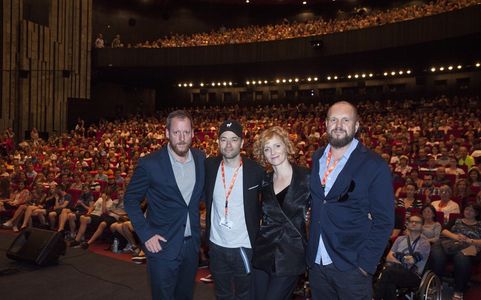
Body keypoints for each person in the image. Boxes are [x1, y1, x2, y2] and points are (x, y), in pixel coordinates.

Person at [306, 101, 395, 300]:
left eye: (346, 120)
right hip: (317, 262)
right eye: (334, 119)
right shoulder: (317, 157)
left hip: (352, 267)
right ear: (326, 124)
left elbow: (385, 220)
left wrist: (366, 264)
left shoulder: (374, 164)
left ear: (356, 126)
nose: (338, 125)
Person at [124, 110, 205, 300]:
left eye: (186, 132)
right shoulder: (149, 163)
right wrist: (146, 234)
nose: (182, 138)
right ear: (167, 133)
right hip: (162, 246)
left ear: (193, 133)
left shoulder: (201, 158)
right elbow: (130, 200)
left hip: (191, 247)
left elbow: (204, 195)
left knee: (185, 296)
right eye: (177, 133)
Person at [204, 120, 264, 300]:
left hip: (243, 247)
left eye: (234, 139)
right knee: (222, 294)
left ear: (242, 143)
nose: (228, 144)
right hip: (216, 246)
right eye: (223, 139)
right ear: (218, 142)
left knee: (245, 296)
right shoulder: (209, 166)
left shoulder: (256, 171)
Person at [251, 126, 311, 300]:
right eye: (267, 149)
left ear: (286, 146)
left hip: (291, 255)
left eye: (277, 146)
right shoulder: (264, 180)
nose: (273, 152)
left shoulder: (307, 177)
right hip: (263, 251)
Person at [430, 203, 481, 300]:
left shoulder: (479, 224)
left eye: (471, 210)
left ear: (477, 213)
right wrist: (456, 237)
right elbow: (444, 231)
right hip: (448, 244)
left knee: (462, 258)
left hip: (468, 247)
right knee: (437, 254)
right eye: (466, 209)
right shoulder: (456, 220)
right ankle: (437, 284)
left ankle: (459, 290)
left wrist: (469, 240)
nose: (468, 212)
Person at [373, 215, 431, 300]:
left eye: (417, 222)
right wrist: (403, 259)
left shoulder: (424, 243)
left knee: (388, 272)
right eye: (411, 221)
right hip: (394, 271)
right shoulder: (399, 239)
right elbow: (389, 257)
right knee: (389, 281)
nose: (414, 223)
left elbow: (411, 261)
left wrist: (397, 255)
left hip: (412, 275)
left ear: (422, 226)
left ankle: (375, 298)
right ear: (407, 224)